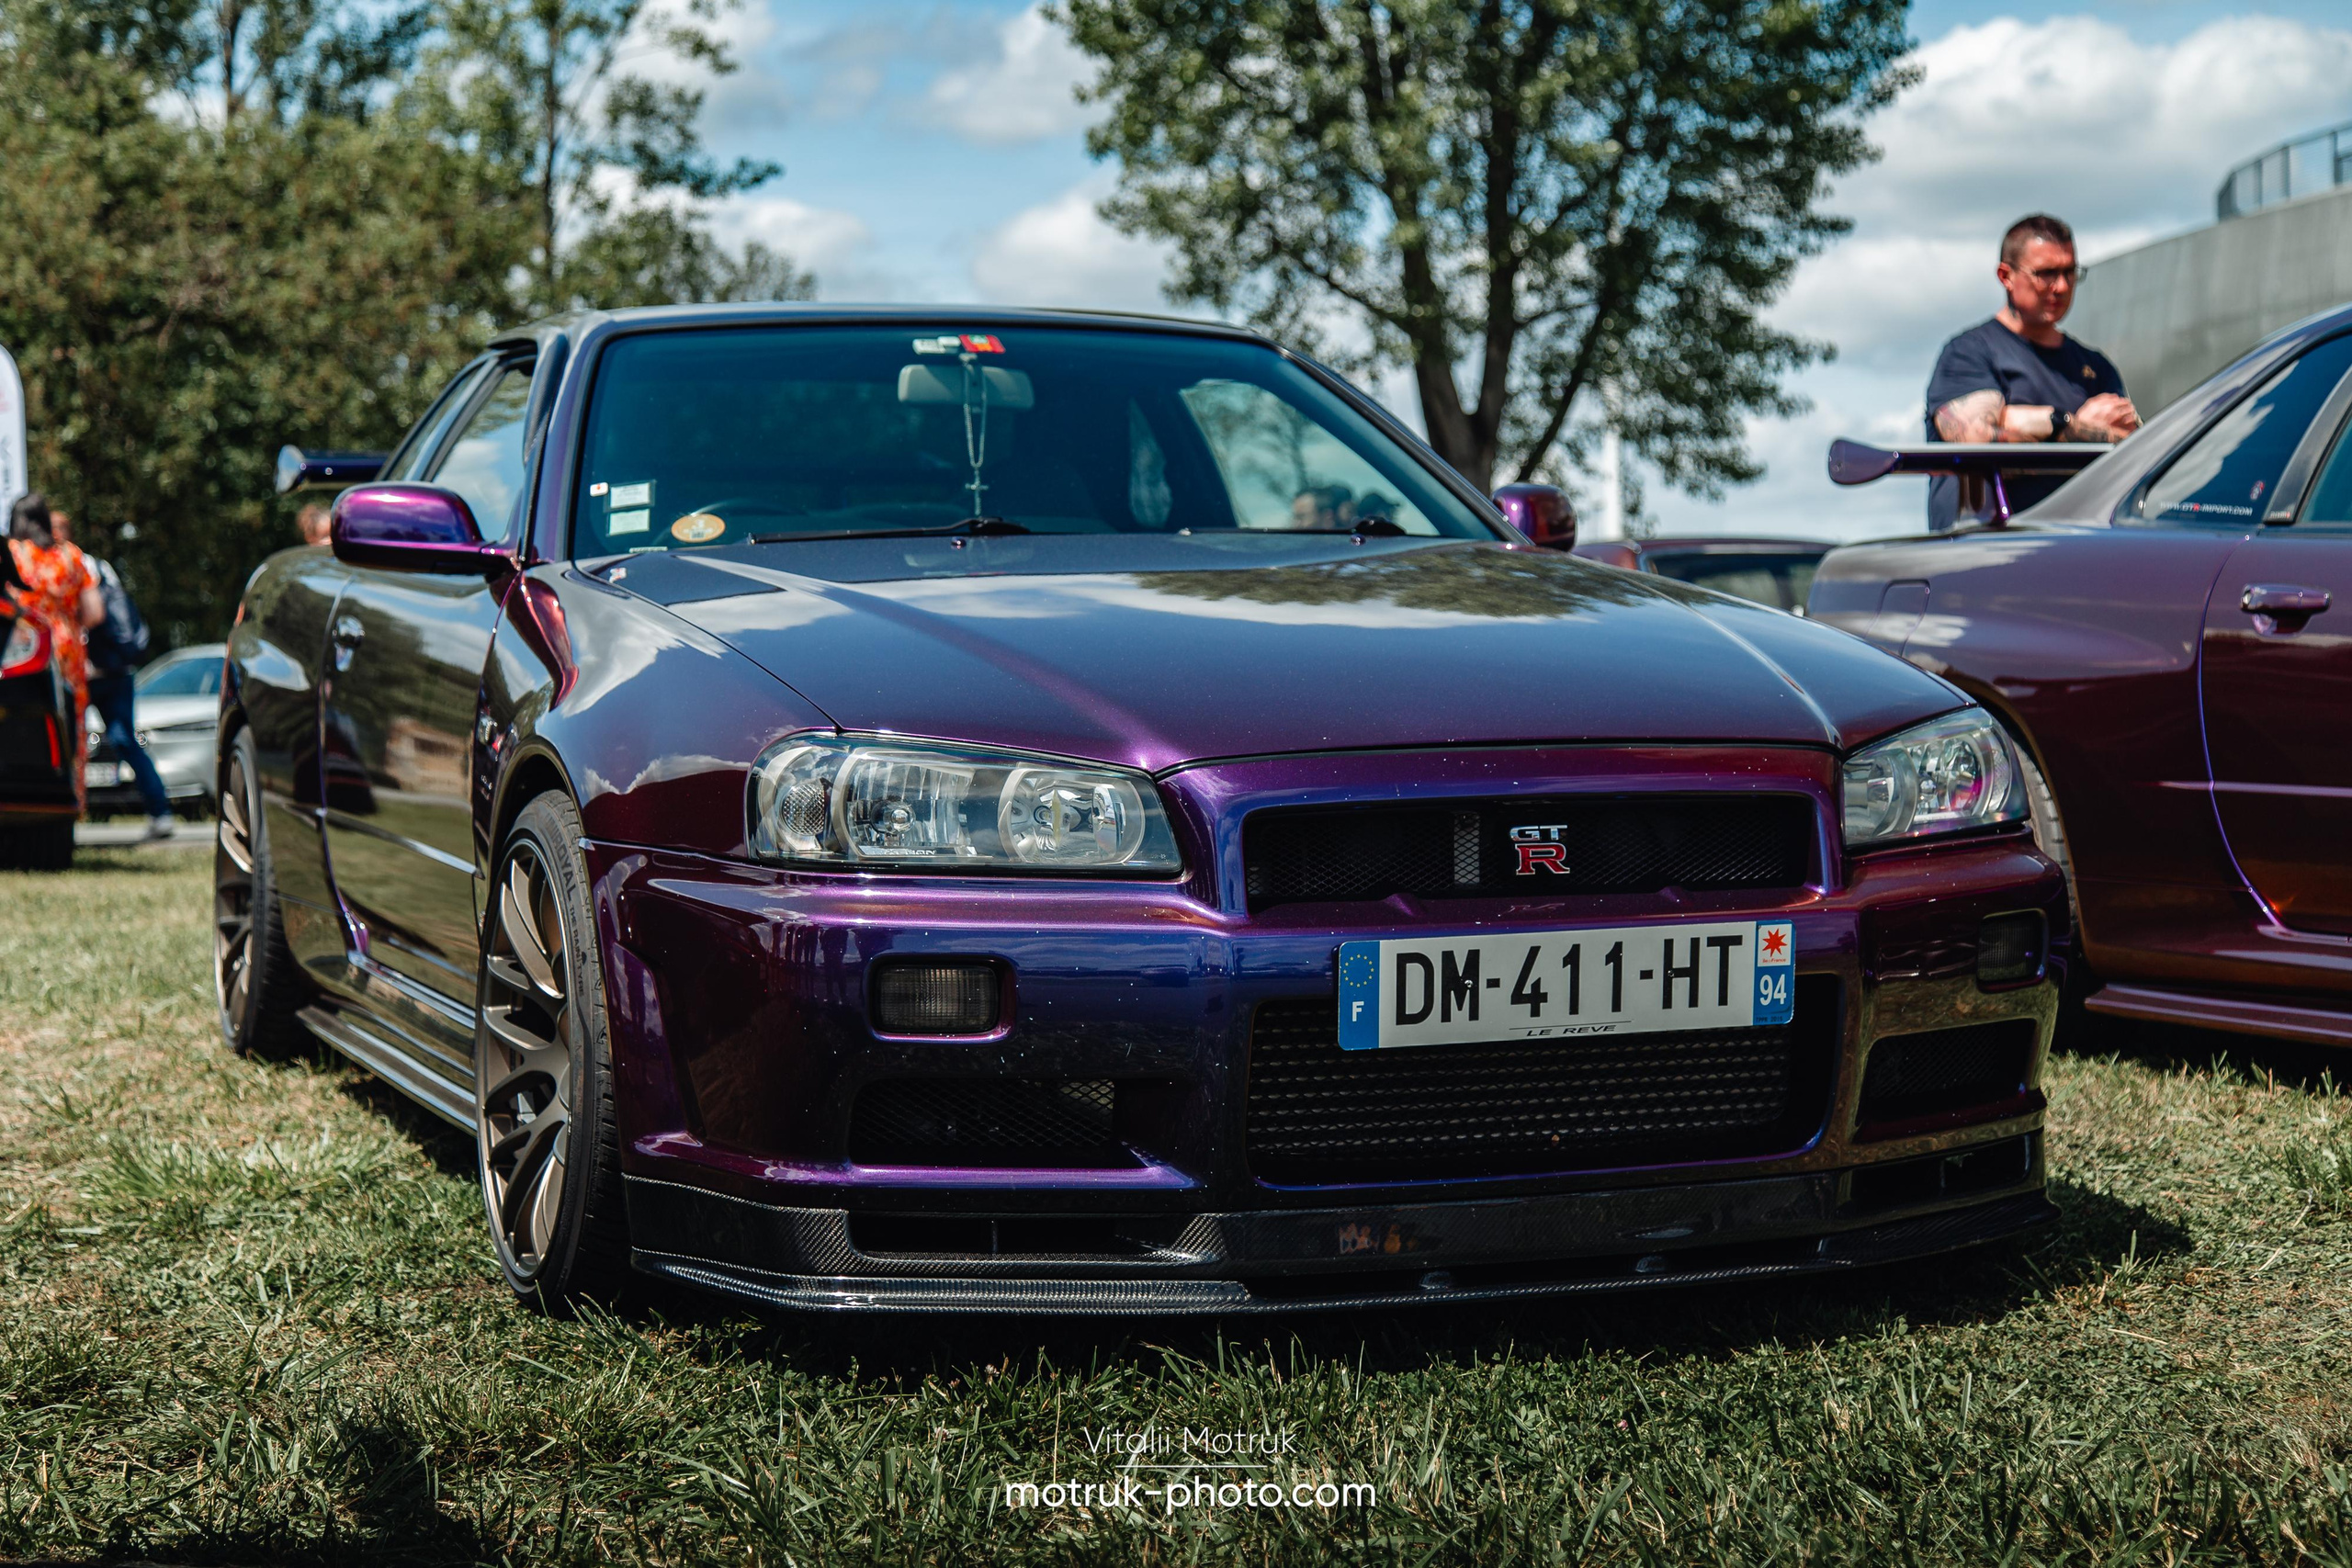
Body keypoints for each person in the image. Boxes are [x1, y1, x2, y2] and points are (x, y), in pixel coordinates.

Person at [1924, 213, 2141, 531]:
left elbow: (2135, 451)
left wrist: (2021, 420)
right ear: (2006, 276)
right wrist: (2065, 423)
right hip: (1982, 554)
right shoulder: (1969, 353)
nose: (2062, 286)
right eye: (2046, 274)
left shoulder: (2095, 366)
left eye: (2070, 272)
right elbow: (1976, 445)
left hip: (2076, 548)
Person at [53, 509, 175, 840]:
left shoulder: (77, 565)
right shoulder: (92, 566)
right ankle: (73, 815)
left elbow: (93, 615)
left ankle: (159, 811)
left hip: (100, 671)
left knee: (109, 741)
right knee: (99, 742)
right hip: (99, 671)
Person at [6, 492, 102, 807]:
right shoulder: (72, 556)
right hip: (67, 646)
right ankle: (73, 801)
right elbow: (95, 613)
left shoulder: (14, 553)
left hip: (24, 645)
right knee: (72, 722)